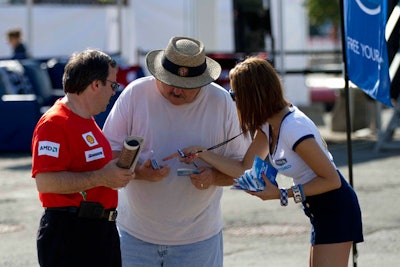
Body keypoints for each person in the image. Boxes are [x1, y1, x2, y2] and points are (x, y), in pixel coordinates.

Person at [175, 57, 364, 267]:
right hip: (318, 209)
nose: (234, 101)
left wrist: (282, 194)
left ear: (253, 95)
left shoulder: (293, 128)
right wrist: (203, 154)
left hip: (336, 207)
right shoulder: (268, 124)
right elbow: (243, 167)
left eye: (234, 95)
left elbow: (331, 181)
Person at [102, 36, 250, 267]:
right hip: (134, 236)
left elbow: (241, 167)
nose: (176, 90)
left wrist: (213, 177)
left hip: (199, 240)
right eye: (170, 81)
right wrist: (139, 171)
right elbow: (108, 153)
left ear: (202, 81)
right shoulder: (135, 94)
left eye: (186, 86)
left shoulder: (221, 102)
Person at [31, 49, 134, 267]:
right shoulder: (54, 123)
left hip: (98, 231)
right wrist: (102, 177)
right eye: (112, 85)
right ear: (96, 84)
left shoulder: (86, 119)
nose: (114, 92)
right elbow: (45, 182)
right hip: (71, 233)